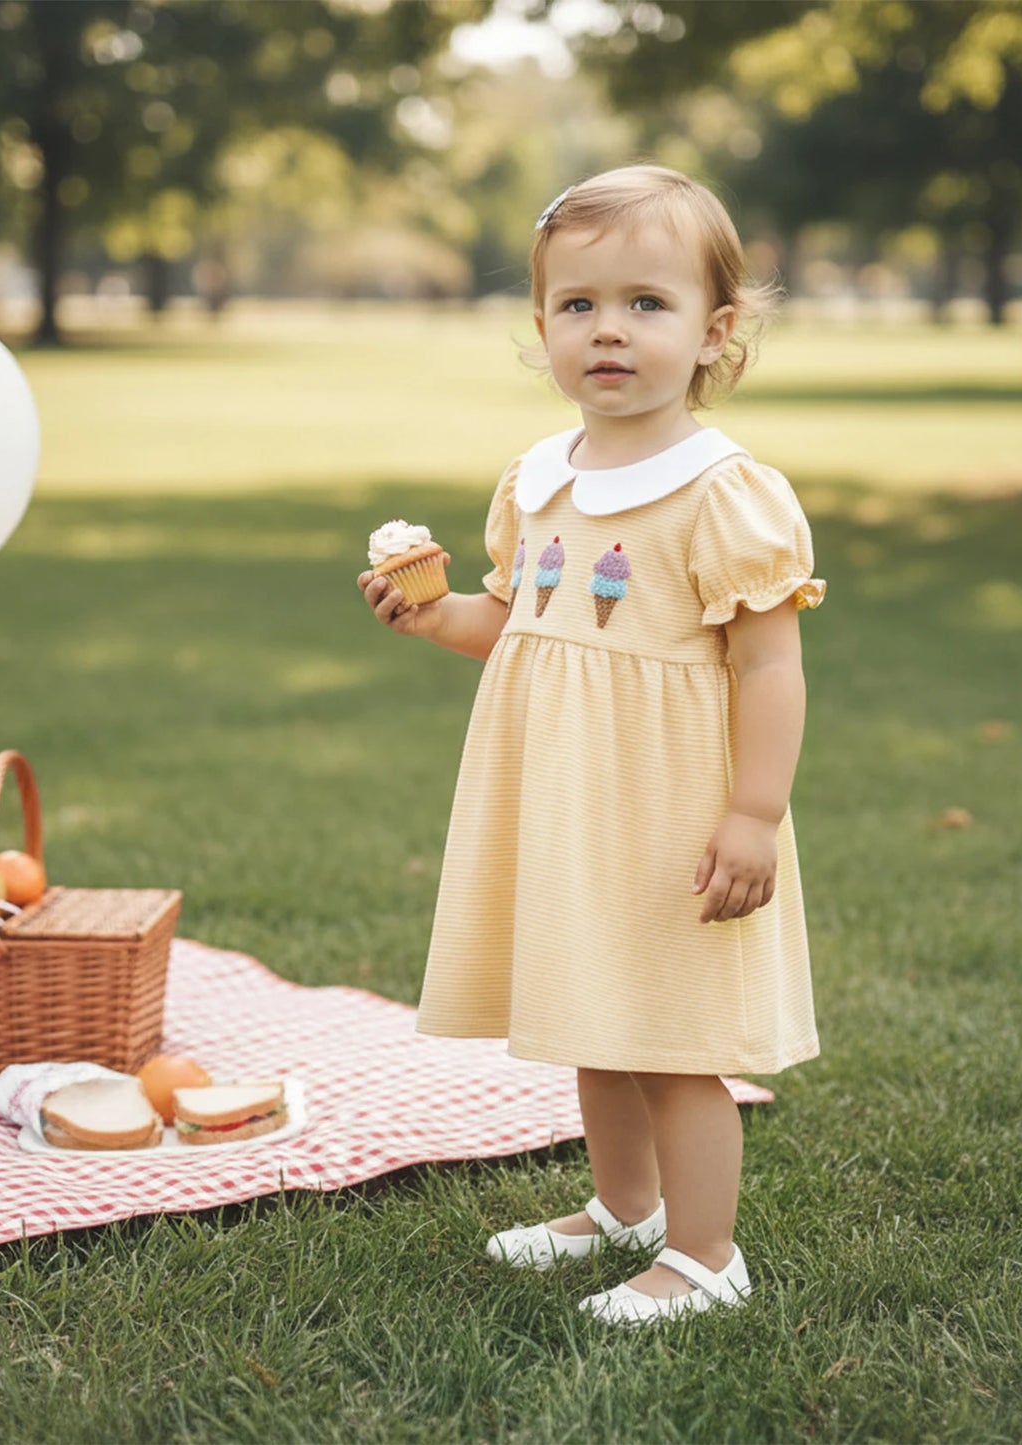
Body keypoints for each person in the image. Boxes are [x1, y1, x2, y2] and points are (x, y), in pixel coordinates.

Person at [356, 164, 825, 1327]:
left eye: (644, 304)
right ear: (540, 327)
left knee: (670, 1032)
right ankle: (625, 1206)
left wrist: (753, 812)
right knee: (593, 1014)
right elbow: (517, 623)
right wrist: (427, 613)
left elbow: (769, 664)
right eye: (577, 305)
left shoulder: (724, 493)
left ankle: (706, 1254)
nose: (606, 329)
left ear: (714, 332)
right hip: (564, 797)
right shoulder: (536, 480)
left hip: (673, 807)